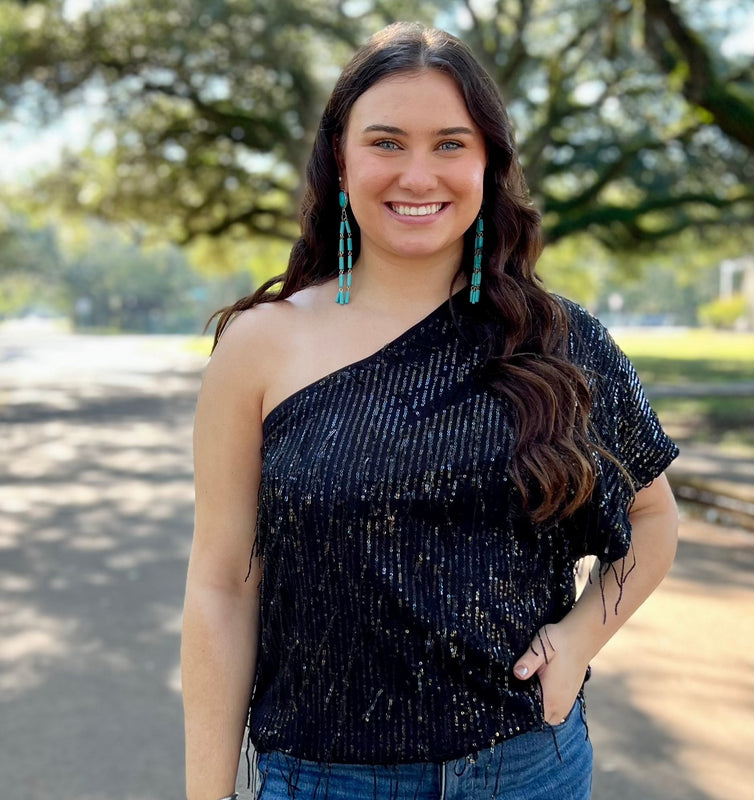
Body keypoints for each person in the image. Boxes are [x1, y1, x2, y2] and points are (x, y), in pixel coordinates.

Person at [181, 21, 679, 800]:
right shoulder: (260, 345)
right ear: (340, 163)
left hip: (524, 768)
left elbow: (653, 519)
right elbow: (222, 585)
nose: (419, 175)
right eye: (386, 142)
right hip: (322, 778)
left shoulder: (561, 340)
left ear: (489, 164)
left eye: (451, 144)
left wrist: (580, 639)